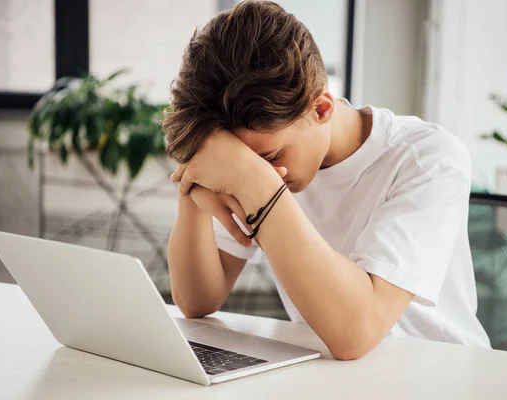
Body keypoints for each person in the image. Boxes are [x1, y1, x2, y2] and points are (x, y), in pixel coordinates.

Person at [164, 0, 490, 360]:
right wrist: (193, 181)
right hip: (331, 374)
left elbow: (356, 333)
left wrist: (254, 180)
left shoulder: (430, 158)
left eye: (270, 158)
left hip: (440, 372)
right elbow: (197, 301)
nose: (263, 171)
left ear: (321, 109)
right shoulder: (257, 152)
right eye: (243, 162)